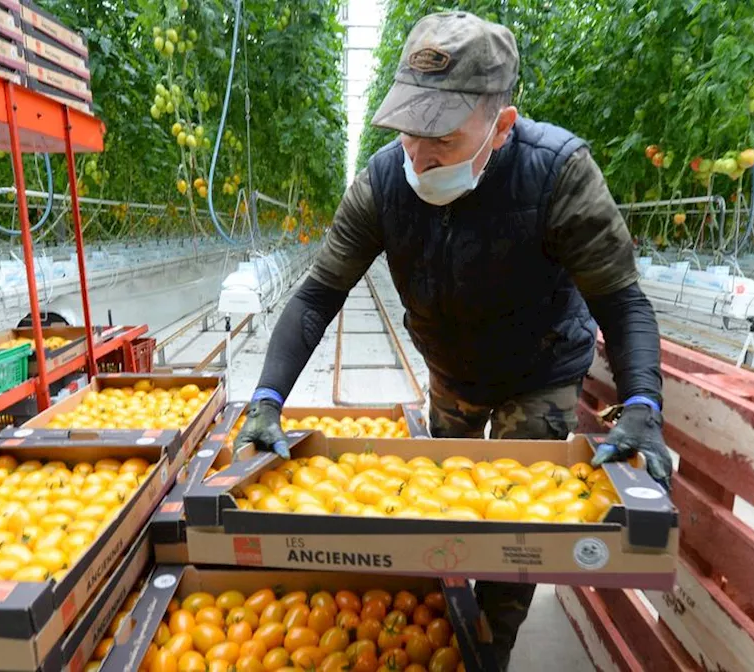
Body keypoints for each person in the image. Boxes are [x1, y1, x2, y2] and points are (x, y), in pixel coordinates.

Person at [234, 10, 673, 670]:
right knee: (445, 498)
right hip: (450, 365)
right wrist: (267, 396)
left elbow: (619, 299)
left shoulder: (557, 175)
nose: (418, 149)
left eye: (439, 132)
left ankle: (490, 645)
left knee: (514, 529)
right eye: (410, 125)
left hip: (540, 362)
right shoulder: (384, 184)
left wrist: (642, 406)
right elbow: (319, 294)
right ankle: (448, 607)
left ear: (502, 126)